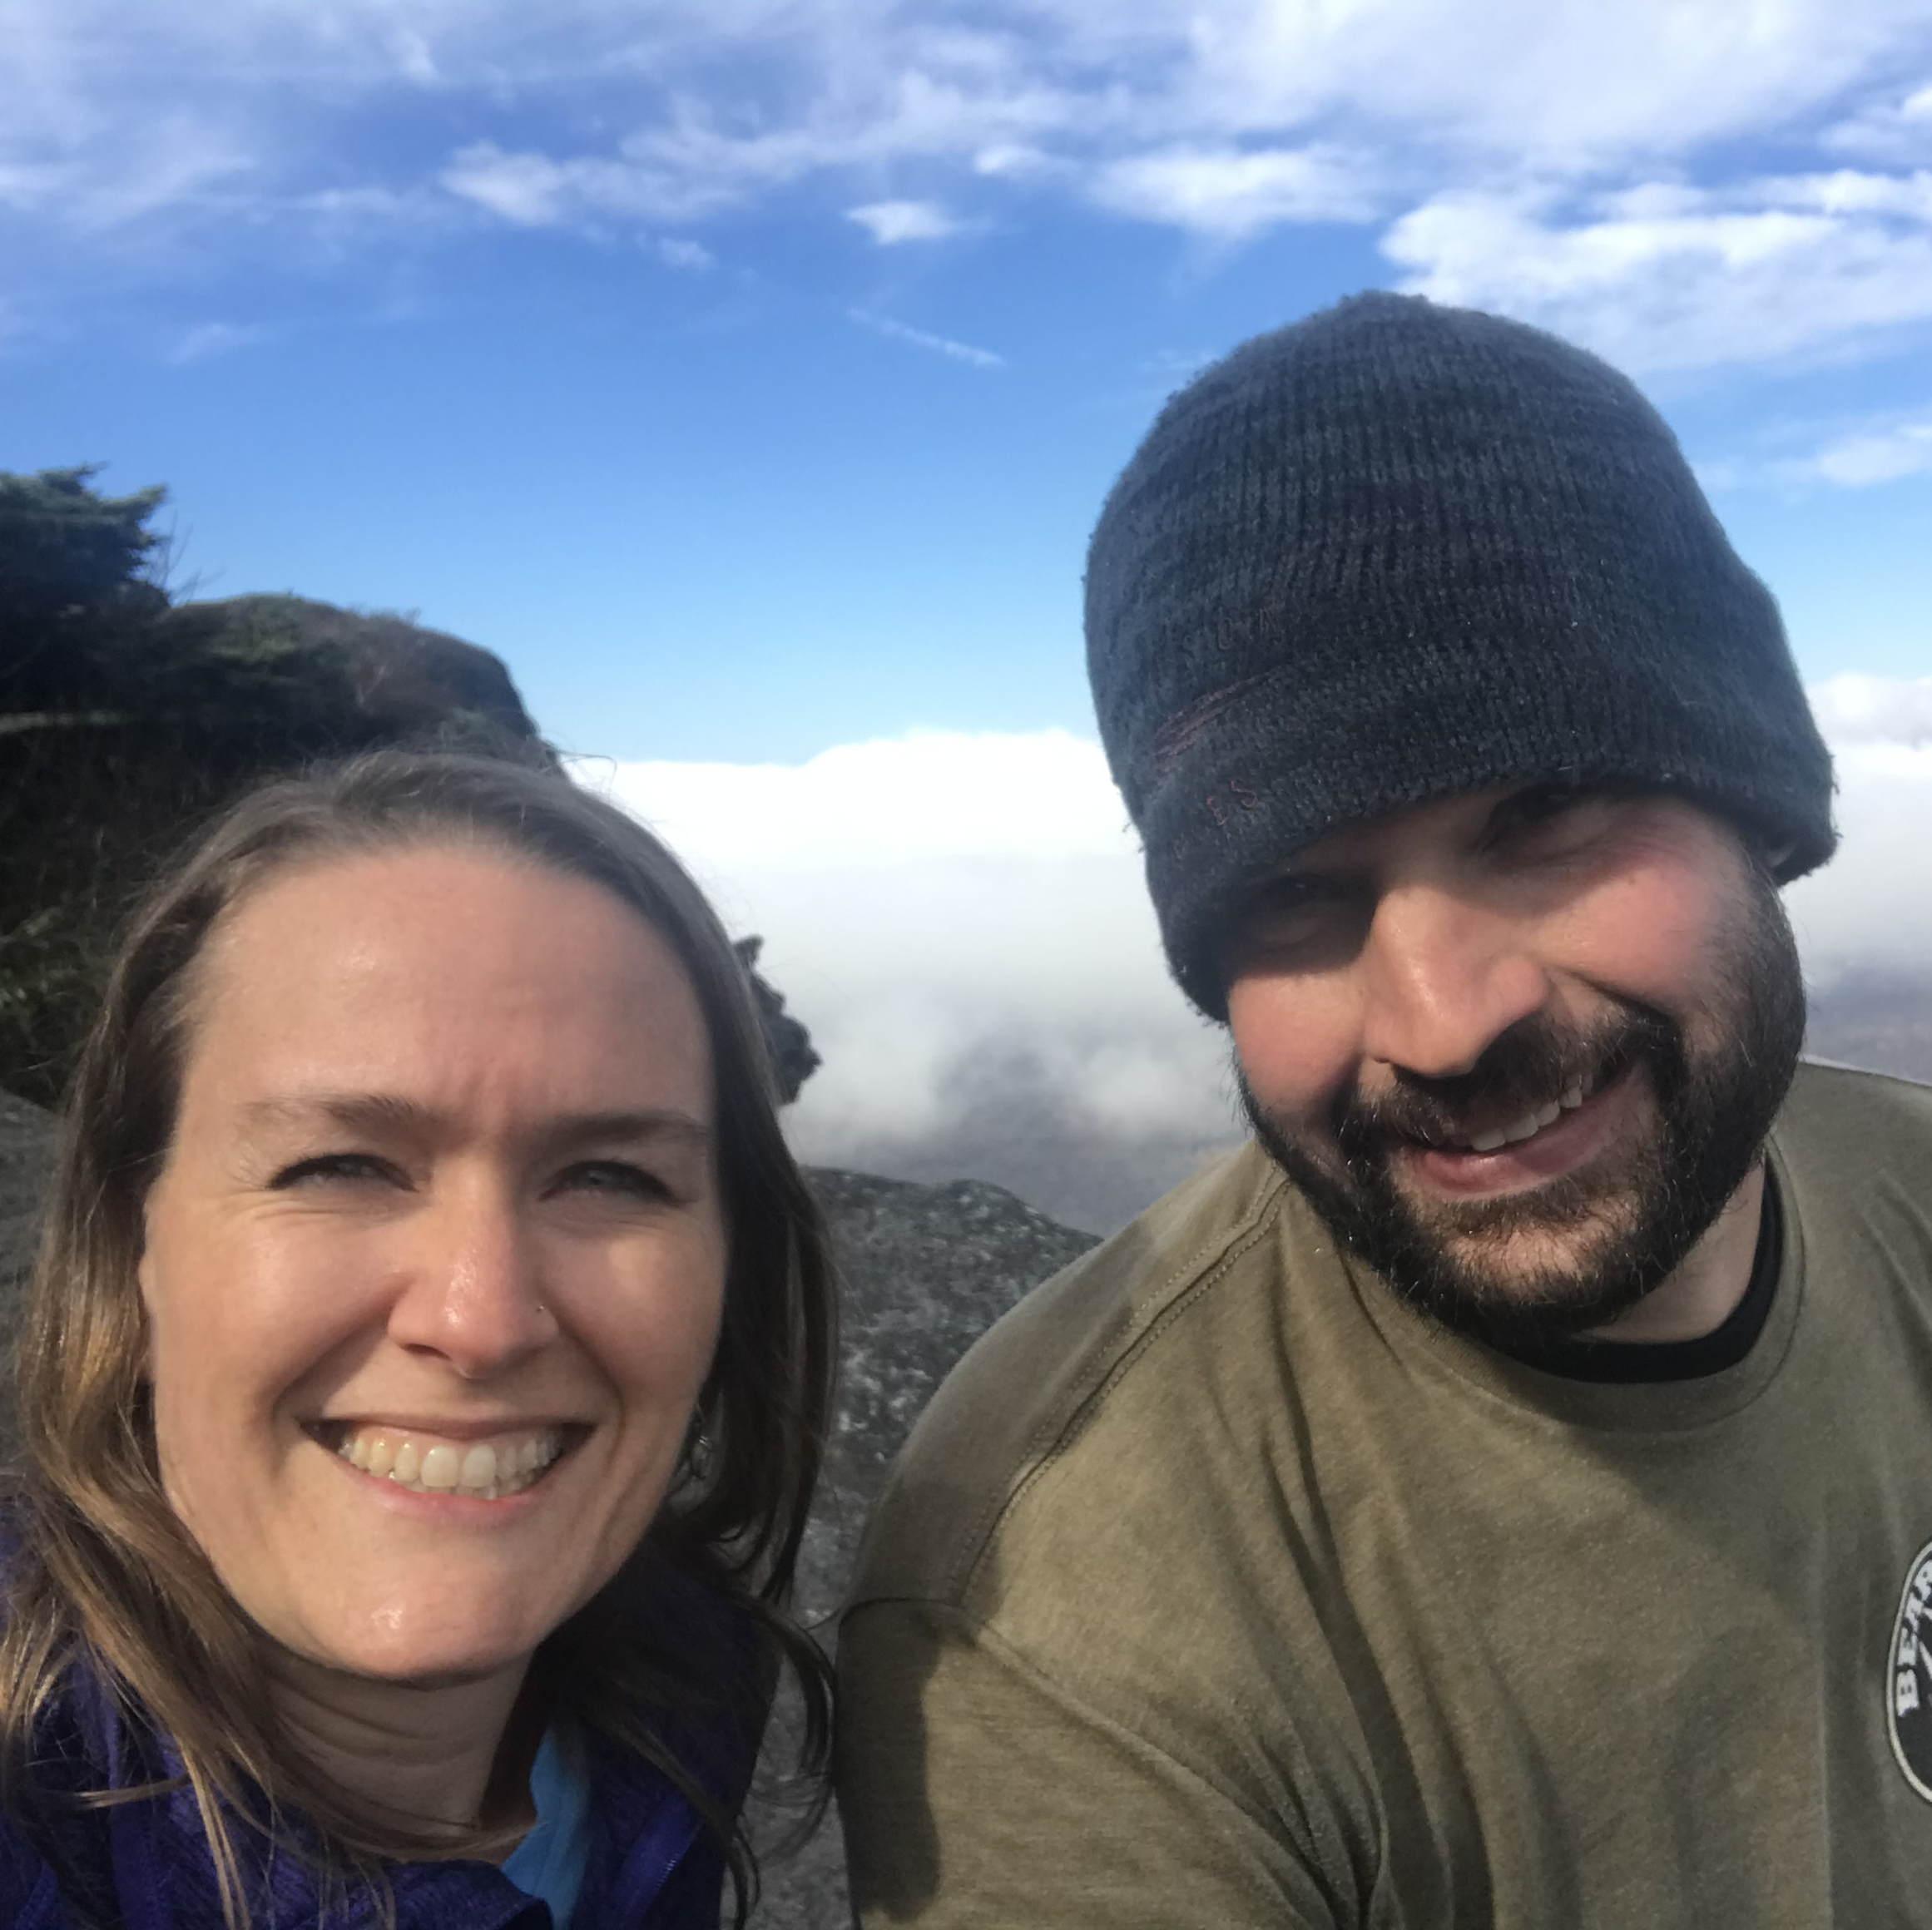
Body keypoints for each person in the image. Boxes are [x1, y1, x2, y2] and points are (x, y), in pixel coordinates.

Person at [836, 293, 1932, 1925]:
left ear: (1753, 809)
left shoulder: (1909, 1186)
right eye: (1292, 892)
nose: (1440, 1016)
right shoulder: (1068, 1610)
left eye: (1542, 811)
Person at [0, 747, 836, 1928]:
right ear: (134, 1242)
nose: (480, 1318)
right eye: (338, 1166)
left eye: (608, 1175)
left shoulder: (675, 1700)